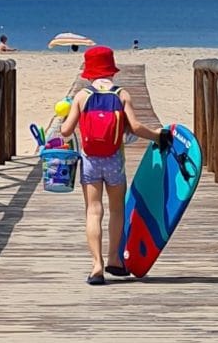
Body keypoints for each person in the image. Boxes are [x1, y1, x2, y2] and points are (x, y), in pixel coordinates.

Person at [59, 46, 172, 285]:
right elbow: (136, 126)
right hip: (114, 160)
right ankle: (114, 259)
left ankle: (96, 265)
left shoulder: (82, 96)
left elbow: (66, 131)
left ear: (89, 71)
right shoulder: (122, 95)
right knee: (117, 210)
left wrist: (66, 117)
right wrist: (158, 136)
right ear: (111, 70)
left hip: (90, 160)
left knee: (93, 211)